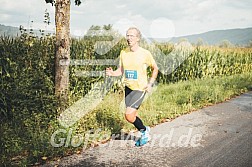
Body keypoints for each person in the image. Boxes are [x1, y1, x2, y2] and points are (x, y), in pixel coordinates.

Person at [106, 27, 158, 146]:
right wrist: (112, 73)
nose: (129, 38)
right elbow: (121, 70)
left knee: (128, 115)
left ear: (138, 38)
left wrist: (150, 83)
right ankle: (145, 128)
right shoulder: (123, 52)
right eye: (127, 35)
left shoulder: (145, 53)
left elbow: (155, 68)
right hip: (128, 87)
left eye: (132, 36)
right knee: (132, 115)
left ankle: (144, 132)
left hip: (140, 88)